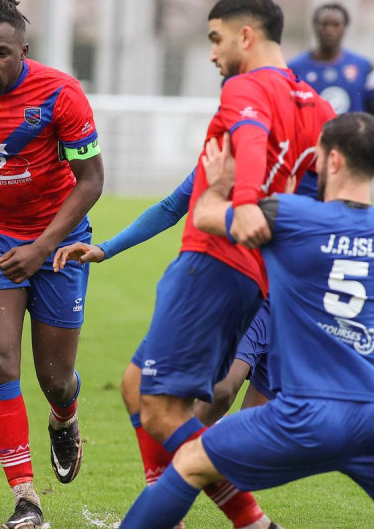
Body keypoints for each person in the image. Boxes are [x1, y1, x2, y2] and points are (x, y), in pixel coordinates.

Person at [104, 0, 336, 527]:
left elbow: (250, 142)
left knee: (163, 411)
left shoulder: (246, 88)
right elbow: (317, 198)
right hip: (252, 276)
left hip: (211, 261)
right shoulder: (317, 108)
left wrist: (243, 199)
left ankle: (249, 520)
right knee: (137, 385)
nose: (212, 52)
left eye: (215, 38)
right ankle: (181, 506)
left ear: (247, 36)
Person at [120, 111, 374, 528]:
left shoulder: (292, 216)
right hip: (369, 413)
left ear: (333, 162)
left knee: (189, 461)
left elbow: (204, 216)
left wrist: (221, 185)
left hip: (304, 414)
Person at [0, 0, 104, 527]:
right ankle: (26, 499)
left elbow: (93, 181)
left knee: (54, 378)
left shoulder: (60, 93)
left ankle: (65, 417)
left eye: (0, 53)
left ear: (23, 52)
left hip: (58, 243)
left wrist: (39, 250)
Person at [53, 168, 276, 428]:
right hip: (251, 294)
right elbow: (172, 207)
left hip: (297, 307)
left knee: (257, 433)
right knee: (221, 390)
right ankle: (184, 453)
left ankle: (203, 446)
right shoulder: (223, 157)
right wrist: (105, 249)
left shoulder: (305, 162)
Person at [288, 3, 374, 115]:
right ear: (314, 27)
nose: (329, 30)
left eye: (336, 25)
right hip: (316, 133)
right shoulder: (295, 68)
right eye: (324, 24)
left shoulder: (363, 66)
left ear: (344, 28)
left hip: (351, 132)